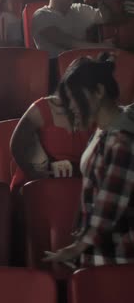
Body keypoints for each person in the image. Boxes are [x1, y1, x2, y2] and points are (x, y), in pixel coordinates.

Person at [44, 54, 134, 266]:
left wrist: (74, 249)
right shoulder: (102, 132)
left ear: (99, 91)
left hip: (116, 256)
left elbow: (109, 207)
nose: (72, 106)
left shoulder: (121, 140)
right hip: (99, 253)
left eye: (75, 98)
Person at [10, 84, 95, 192]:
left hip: (77, 187)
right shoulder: (43, 108)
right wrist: (32, 172)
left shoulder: (96, 115)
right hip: (38, 185)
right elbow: (16, 145)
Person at [32, 0, 110, 59]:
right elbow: (65, 41)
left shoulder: (79, 9)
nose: (66, 1)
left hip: (83, 61)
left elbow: (105, 18)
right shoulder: (41, 15)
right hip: (55, 64)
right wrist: (101, 46)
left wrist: (101, 1)